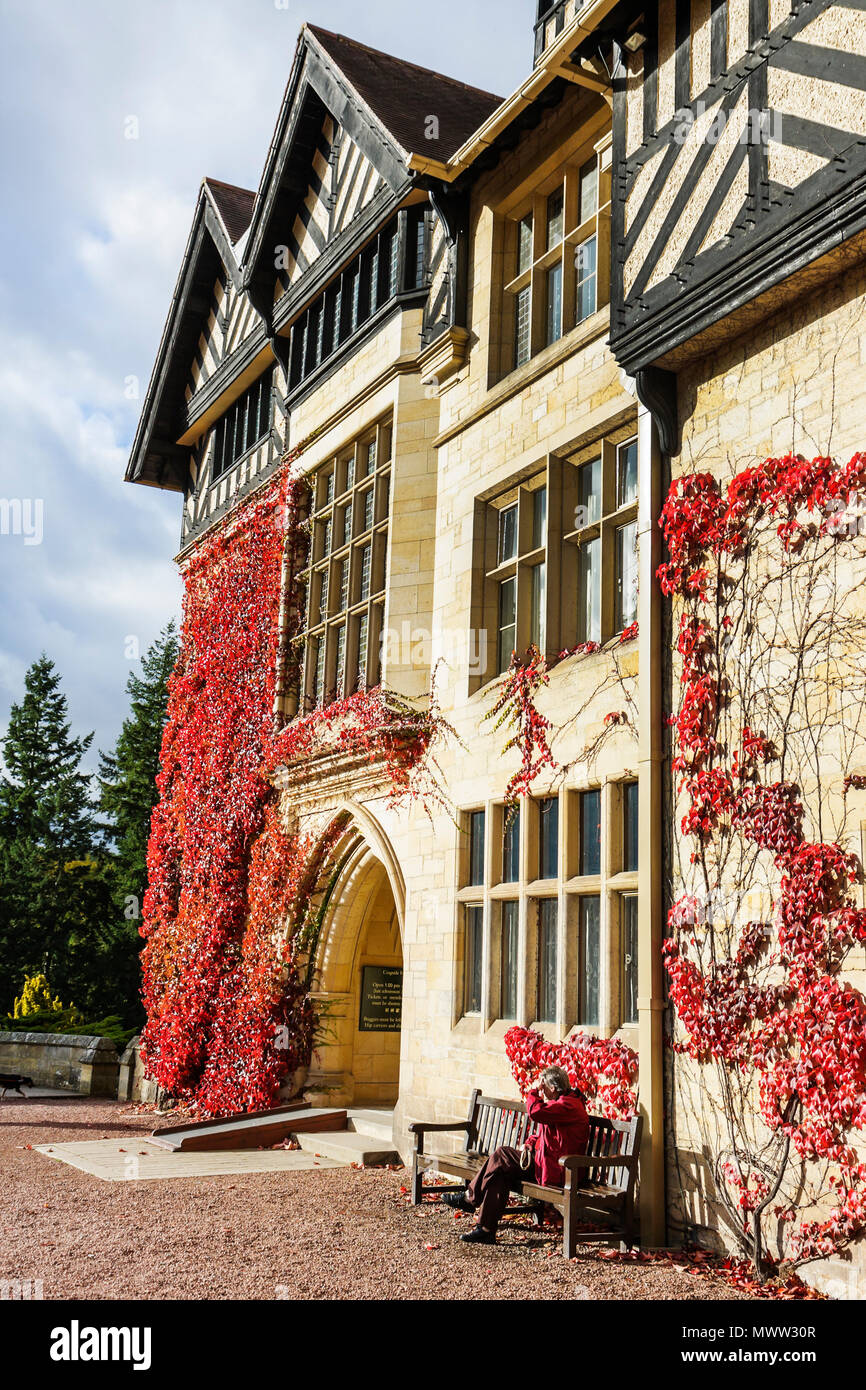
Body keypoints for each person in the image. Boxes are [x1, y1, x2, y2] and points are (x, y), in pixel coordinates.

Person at [442, 1065, 590, 1245]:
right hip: (546, 1165)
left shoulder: (568, 1106)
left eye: (544, 1089)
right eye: (540, 1090)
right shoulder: (563, 1103)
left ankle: (469, 1198)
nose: (542, 1093)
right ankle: (486, 1230)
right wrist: (529, 1144)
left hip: (561, 1172)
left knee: (502, 1154)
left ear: (552, 1088)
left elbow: (536, 1112)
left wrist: (534, 1091)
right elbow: (545, 1131)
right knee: (500, 1174)